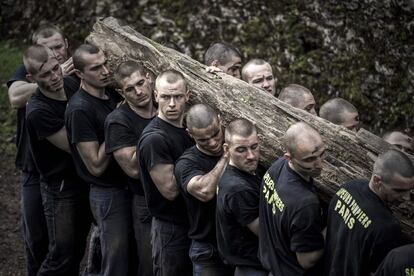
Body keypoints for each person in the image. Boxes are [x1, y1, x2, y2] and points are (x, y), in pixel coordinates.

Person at [6, 23, 78, 276]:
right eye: (46, 49)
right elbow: (15, 98)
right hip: (32, 166)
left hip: (69, 169)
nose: (54, 54)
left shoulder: (76, 66)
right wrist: (50, 80)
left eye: (58, 47)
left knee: (68, 244)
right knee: (36, 237)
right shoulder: (35, 69)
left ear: (66, 43)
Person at [24, 44, 90, 275]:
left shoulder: (71, 84)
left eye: (55, 69)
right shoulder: (37, 110)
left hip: (83, 180)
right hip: (61, 189)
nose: (54, 77)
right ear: (31, 78)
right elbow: (77, 147)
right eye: (46, 75)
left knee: (77, 249)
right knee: (62, 255)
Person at [65, 44, 129, 276]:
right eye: (96, 68)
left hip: (127, 187)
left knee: (124, 256)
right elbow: (95, 165)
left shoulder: (112, 93)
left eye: (105, 64)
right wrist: (116, 120)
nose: (104, 71)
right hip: (107, 193)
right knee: (115, 262)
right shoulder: (79, 109)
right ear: (80, 74)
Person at [138, 69, 194, 276]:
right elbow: (170, 190)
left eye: (178, 97)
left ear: (187, 96)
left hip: (192, 225)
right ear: (155, 96)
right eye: (165, 97)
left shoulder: (188, 128)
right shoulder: (155, 138)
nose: (172, 104)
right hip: (170, 228)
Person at [323, 149, 414, 275]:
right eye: (399, 191)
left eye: (410, 190)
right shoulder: (387, 227)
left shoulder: (348, 188)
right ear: (377, 180)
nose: (407, 197)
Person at [104, 60, 157, 276]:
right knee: (149, 264)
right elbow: (133, 169)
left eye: (141, 83)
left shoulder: (167, 102)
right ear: (121, 92)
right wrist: (162, 122)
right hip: (145, 201)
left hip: (180, 198)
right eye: (129, 89)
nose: (138, 91)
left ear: (149, 78)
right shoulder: (117, 121)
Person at [259, 122, 325, 276]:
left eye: (322, 154)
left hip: (273, 266)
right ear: (289, 157)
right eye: (309, 160)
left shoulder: (276, 168)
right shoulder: (305, 203)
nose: (320, 164)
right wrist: (335, 229)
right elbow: (307, 260)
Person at [175, 104, 234, 276]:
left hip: (240, 246)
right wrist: (226, 157)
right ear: (190, 134)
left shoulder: (239, 148)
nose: (213, 142)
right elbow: (205, 191)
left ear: (220, 121)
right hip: (208, 250)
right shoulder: (186, 163)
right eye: (203, 139)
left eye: (216, 133)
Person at [216, 118, 267, 275]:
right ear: (227, 149)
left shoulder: (249, 171)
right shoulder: (237, 188)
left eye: (254, 147)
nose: (251, 156)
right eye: (241, 150)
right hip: (251, 268)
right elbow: (264, 232)